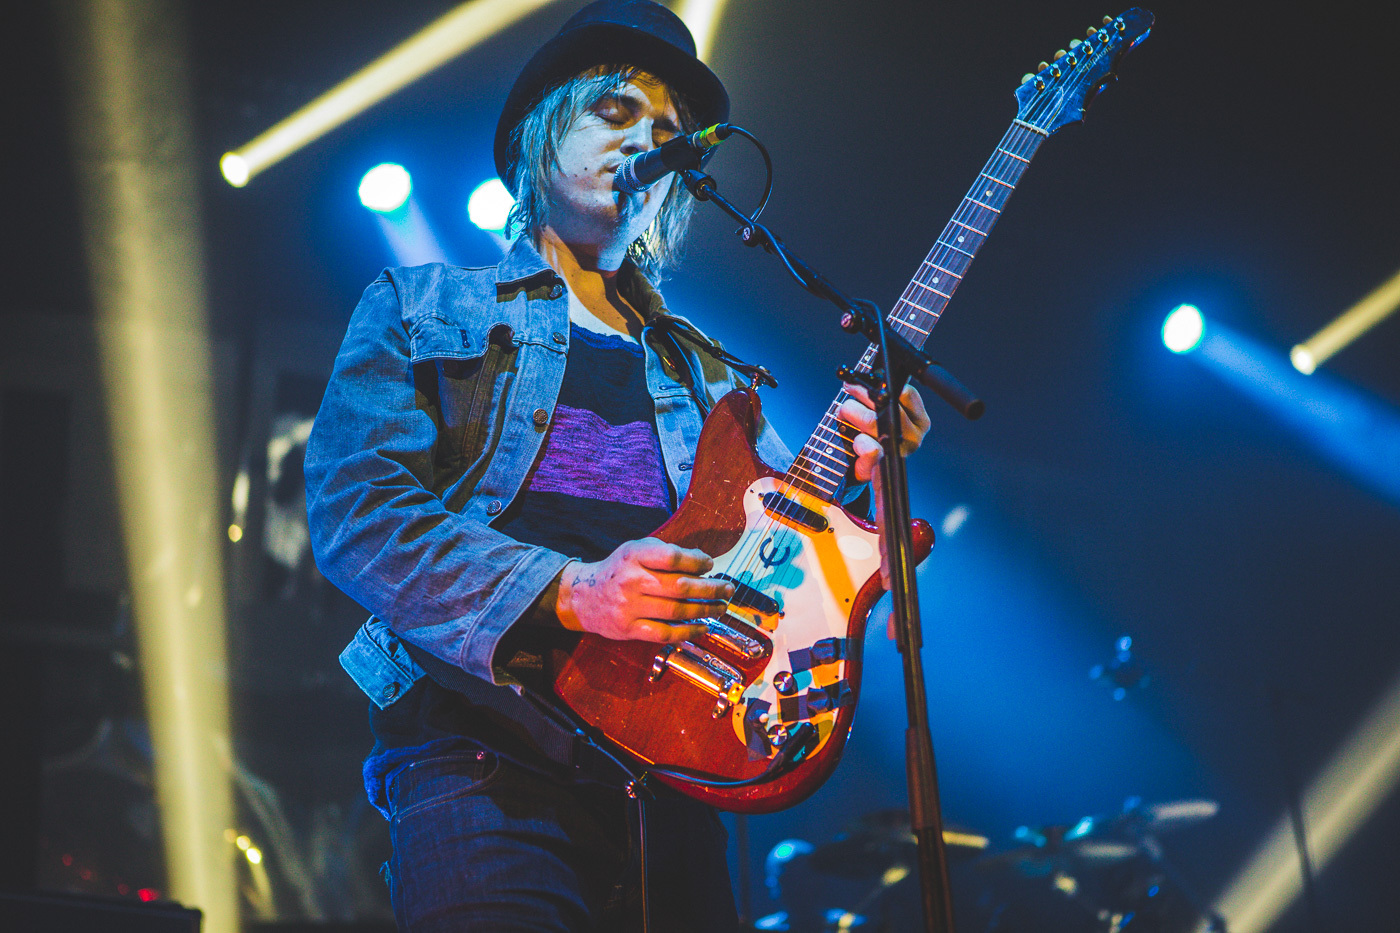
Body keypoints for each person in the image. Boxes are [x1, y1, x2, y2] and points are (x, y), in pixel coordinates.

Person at [304, 2, 930, 930]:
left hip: (678, 766)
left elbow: (769, 568)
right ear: (539, 130)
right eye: (616, 111)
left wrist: (869, 488)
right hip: (482, 754)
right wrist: (571, 590)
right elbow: (358, 513)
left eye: (670, 133)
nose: (646, 139)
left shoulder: (714, 371)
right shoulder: (419, 302)